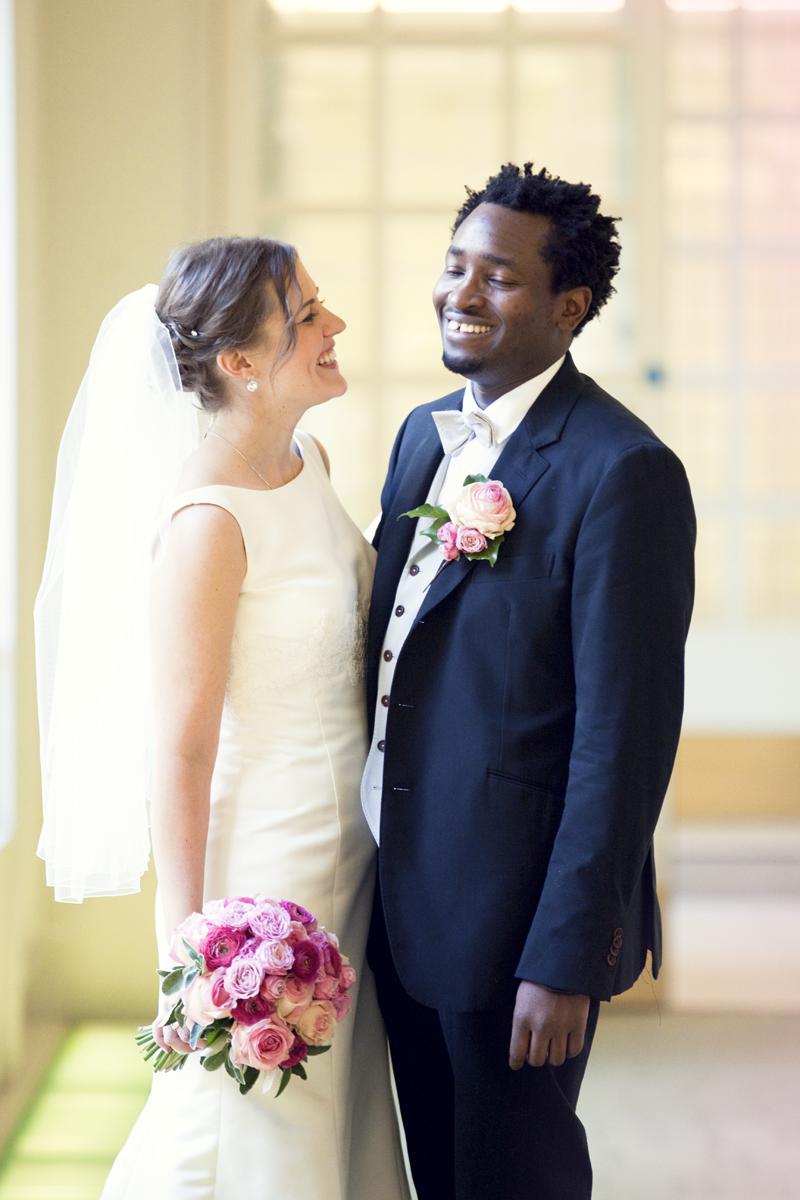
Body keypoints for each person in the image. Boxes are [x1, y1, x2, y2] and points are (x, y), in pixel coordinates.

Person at [35, 237, 411, 1200]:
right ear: (239, 361)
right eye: (307, 317)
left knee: (336, 1101)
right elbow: (182, 747)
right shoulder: (207, 521)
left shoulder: (312, 460)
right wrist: (191, 947)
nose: (334, 326)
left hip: (354, 843)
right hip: (269, 859)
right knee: (255, 1115)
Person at [363, 163, 696, 1200]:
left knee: (514, 1180)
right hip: (396, 899)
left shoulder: (622, 469)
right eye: (454, 265)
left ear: (568, 306)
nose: (460, 292)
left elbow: (621, 742)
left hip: (514, 926)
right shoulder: (422, 434)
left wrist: (562, 956)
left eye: (498, 277)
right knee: (435, 1174)